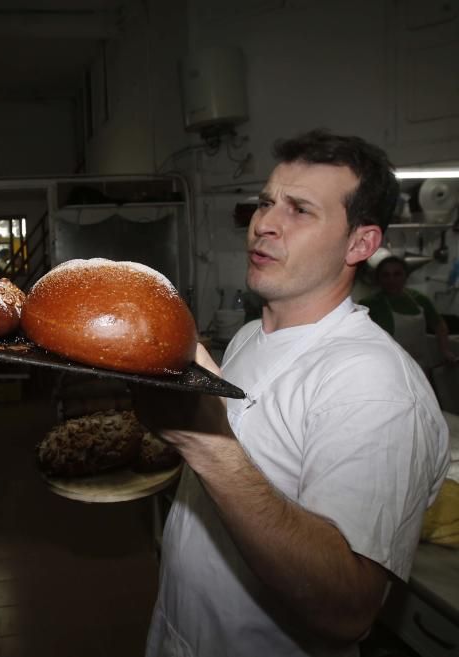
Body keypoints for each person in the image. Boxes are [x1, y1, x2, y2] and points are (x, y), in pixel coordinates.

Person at [134, 130, 450, 657]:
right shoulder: (248, 337)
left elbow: (347, 609)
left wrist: (205, 443)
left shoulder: (375, 387)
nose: (265, 224)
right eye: (265, 203)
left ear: (360, 244)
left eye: (299, 210)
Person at [359, 255, 456, 372]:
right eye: (386, 275)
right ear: (378, 279)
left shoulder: (419, 299)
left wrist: (445, 350)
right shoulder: (369, 305)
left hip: (420, 366)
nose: (391, 280)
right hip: (389, 368)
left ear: (406, 276)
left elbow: (439, 325)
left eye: (397, 274)